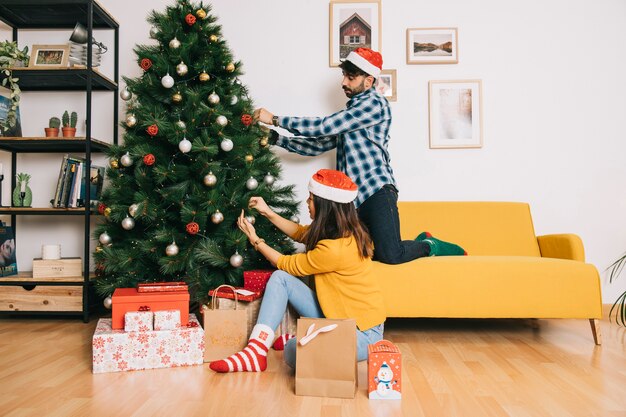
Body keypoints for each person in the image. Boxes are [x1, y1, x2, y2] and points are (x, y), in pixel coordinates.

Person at [253, 47, 466, 264]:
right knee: (351, 251)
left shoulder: (374, 104)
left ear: (368, 80)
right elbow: (318, 145)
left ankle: (429, 244)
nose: (344, 82)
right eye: (344, 76)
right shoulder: (351, 115)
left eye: (351, 77)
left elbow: (324, 126)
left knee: (390, 255)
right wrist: (275, 138)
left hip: (376, 191)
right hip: (352, 199)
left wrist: (277, 119)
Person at [209, 169, 385, 372]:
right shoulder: (336, 231)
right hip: (336, 316)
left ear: (324, 206)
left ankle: (300, 337)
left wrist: (255, 239)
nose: (306, 203)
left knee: (293, 351)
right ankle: (256, 351)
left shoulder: (336, 249)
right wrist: (268, 212)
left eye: (311, 199)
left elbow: (286, 263)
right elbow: (301, 233)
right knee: (280, 279)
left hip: (362, 333)